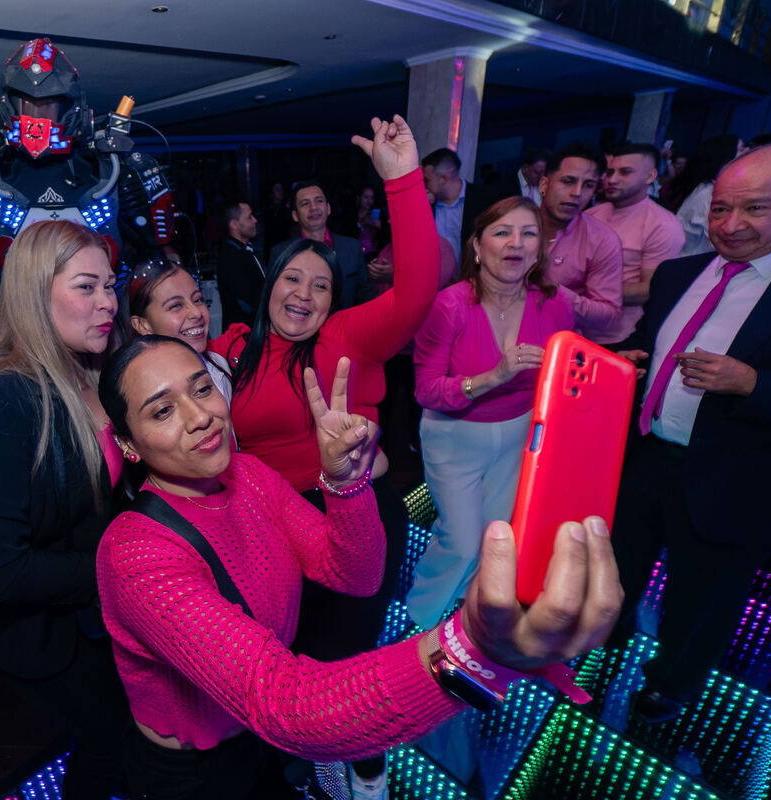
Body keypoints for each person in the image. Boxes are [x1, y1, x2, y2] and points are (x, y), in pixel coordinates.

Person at [95, 334, 623, 799]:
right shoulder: (136, 553)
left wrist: (346, 486)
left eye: (202, 388)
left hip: (260, 739)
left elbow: (355, 575)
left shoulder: (248, 475)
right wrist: (471, 651)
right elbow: (283, 703)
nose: (199, 416)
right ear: (127, 445)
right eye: (162, 411)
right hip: (196, 771)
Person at [209, 115, 435, 794]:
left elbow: (417, 292)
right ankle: (317, 762)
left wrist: (402, 181)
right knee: (294, 659)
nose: (303, 295)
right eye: (292, 279)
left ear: (335, 300)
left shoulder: (342, 340)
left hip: (347, 515)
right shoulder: (234, 348)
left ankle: (365, 776)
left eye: (320, 285)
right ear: (269, 281)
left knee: (346, 664)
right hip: (269, 526)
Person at [610, 143, 771, 723]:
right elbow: (653, 343)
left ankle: (670, 687)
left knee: (702, 600)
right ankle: (603, 646)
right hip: (645, 460)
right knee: (614, 571)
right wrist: (633, 360)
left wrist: (754, 383)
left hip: (741, 479)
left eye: (754, 208)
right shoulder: (677, 274)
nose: (730, 225)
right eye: (720, 208)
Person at [0, 220, 130, 799]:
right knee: (108, 746)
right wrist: (119, 568)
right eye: (86, 287)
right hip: (38, 630)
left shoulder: (90, 370)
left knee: (120, 737)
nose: (107, 302)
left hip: (92, 612)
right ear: (35, 295)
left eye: (110, 286)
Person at [408, 197, 574, 630]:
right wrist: (493, 376)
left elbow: (565, 368)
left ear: (538, 251)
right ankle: (419, 620)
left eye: (528, 233)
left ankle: (467, 622)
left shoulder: (555, 303)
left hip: (519, 433)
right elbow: (426, 390)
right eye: (502, 232)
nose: (516, 243)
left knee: (495, 536)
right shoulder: (450, 305)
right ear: (478, 247)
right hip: (454, 436)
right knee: (460, 541)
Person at [587, 143, 685, 345]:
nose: (612, 180)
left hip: (616, 337)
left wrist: (585, 290)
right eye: (610, 172)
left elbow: (650, 290)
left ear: (650, 176)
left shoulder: (662, 225)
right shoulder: (592, 214)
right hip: (574, 325)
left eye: (625, 172)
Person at [537, 142, 623, 343]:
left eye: (588, 185)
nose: (577, 193)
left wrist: (552, 292)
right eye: (568, 181)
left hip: (552, 345)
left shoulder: (601, 240)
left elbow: (608, 315)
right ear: (544, 185)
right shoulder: (511, 223)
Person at [128, 259, 231, 402]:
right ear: (142, 325)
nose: (196, 313)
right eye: (175, 306)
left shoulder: (218, 364)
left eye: (197, 300)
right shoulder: (140, 393)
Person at [276, 180, 368, 308]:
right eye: (305, 203)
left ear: (328, 208)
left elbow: (364, 295)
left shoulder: (352, 247)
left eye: (319, 201)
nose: (313, 207)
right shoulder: (280, 253)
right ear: (295, 215)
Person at [420, 148, 504, 263]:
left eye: (427, 180)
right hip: (434, 273)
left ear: (443, 179)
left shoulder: (485, 198)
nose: (424, 184)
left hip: (472, 272)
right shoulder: (426, 204)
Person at [667, 134, 743, 256]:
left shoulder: (709, 189)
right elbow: (715, 242)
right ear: (725, 156)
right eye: (740, 149)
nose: (746, 153)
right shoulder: (708, 194)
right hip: (689, 261)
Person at [215, 201, 265, 328]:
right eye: (249, 217)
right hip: (242, 334)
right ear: (234, 224)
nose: (255, 220)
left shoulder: (243, 250)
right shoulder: (231, 256)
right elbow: (251, 302)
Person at [355, 185, 385, 260]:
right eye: (366, 197)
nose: (369, 201)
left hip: (372, 254)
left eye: (372, 198)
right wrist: (361, 222)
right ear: (359, 198)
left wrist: (380, 227)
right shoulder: (352, 215)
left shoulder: (375, 215)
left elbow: (384, 237)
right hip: (355, 252)